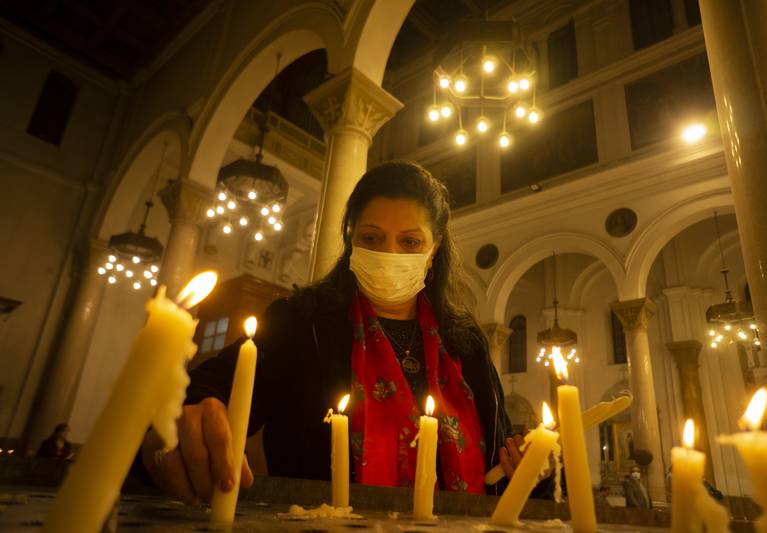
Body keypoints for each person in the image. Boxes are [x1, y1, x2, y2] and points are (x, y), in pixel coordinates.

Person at [139, 161, 518, 505]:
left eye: (410, 242)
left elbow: (498, 459)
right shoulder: (302, 322)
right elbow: (210, 389)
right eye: (372, 238)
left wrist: (526, 461)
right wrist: (192, 414)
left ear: (433, 251)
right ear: (351, 239)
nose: (390, 253)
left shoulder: (465, 342)